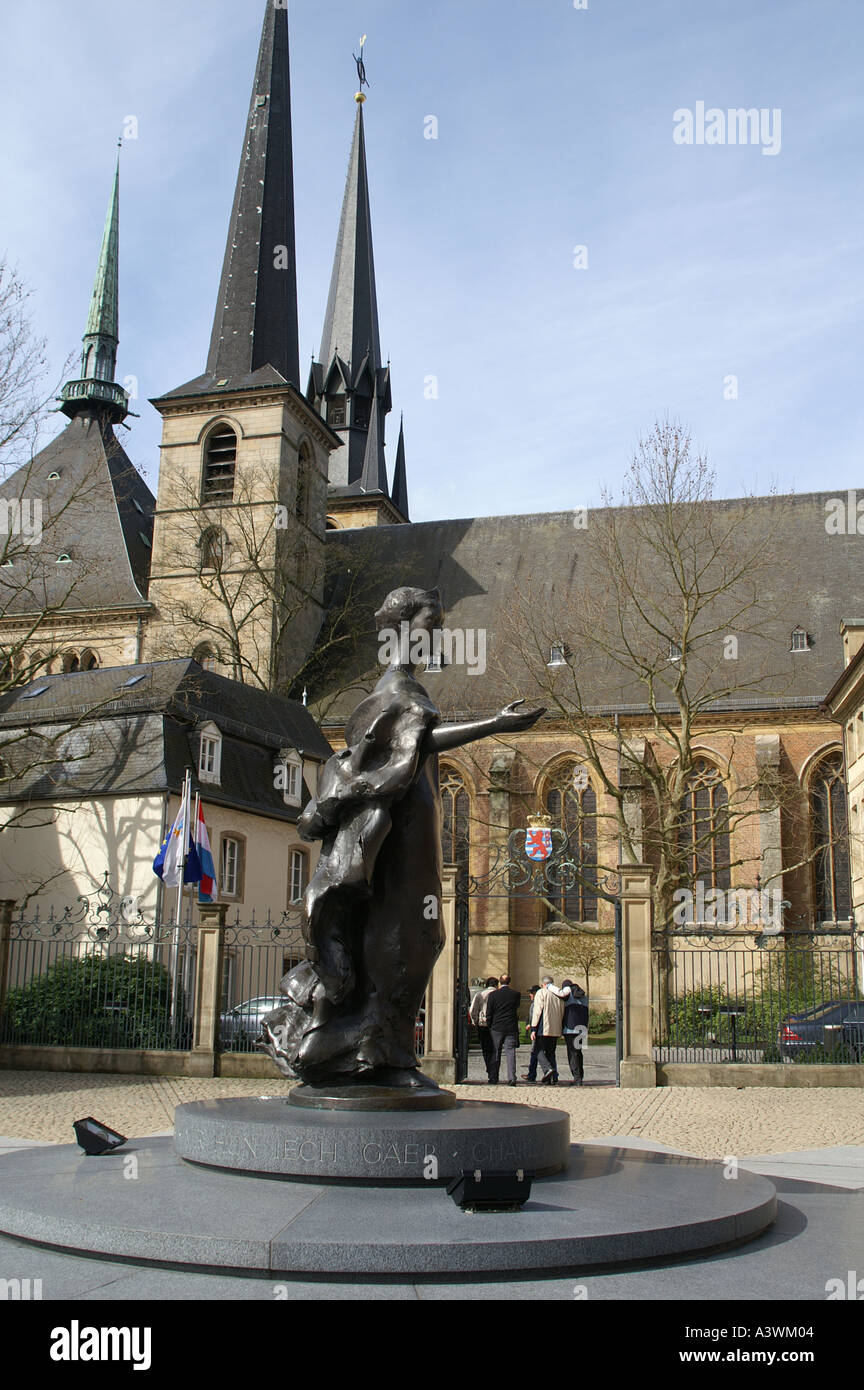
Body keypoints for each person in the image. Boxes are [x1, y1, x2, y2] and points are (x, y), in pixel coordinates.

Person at [530, 976, 570, 1085]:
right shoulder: (559, 996)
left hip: (544, 1027)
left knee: (538, 1050)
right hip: (555, 1028)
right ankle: (553, 1077)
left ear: (543, 984)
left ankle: (548, 1069)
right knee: (551, 1053)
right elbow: (562, 1012)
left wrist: (533, 1028)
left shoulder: (541, 993)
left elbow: (537, 1011)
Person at [485, 974, 521, 1085]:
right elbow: (516, 1008)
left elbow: (489, 1012)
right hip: (511, 1026)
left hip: (497, 1027)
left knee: (496, 1052)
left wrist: (489, 1025)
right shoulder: (516, 994)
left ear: (500, 982)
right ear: (509, 982)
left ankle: (493, 1077)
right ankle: (512, 1078)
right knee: (510, 1052)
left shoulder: (493, 995)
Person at [469, 977, 500, 1082]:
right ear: (496, 985)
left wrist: (475, 1021)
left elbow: (473, 1010)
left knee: (486, 1050)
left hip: (483, 1024)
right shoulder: (499, 994)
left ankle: (489, 1069)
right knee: (496, 1050)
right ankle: (494, 1073)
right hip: (496, 1025)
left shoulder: (480, 995)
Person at [561, 979, 589, 1085]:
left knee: (572, 1053)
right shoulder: (583, 996)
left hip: (570, 1028)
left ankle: (577, 1078)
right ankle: (580, 1076)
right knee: (578, 1052)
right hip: (582, 1028)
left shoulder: (567, 995)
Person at [521, 985, 542, 1082]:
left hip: (537, 1031)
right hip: (538, 1029)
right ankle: (551, 1074)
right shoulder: (535, 1003)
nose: (530, 995)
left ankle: (532, 1074)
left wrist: (532, 1027)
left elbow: (536, 1016)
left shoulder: (536, 1004)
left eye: (531, 993)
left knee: (535, 1052)